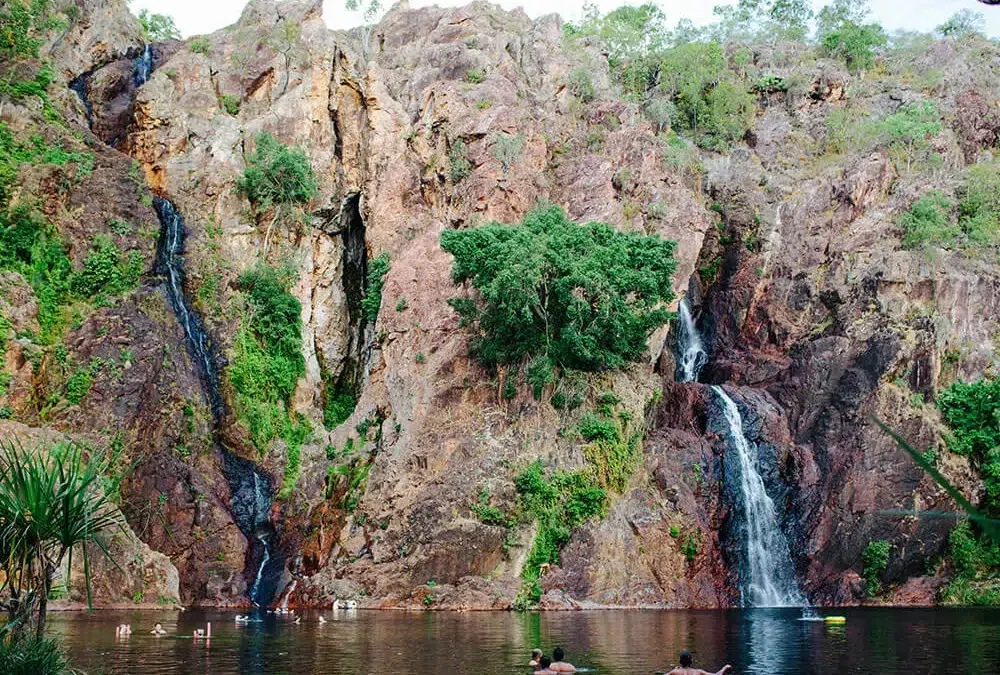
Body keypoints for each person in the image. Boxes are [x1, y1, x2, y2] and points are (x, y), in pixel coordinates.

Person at [666, 651, 732, 675]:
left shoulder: (674, 672)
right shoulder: (698, 672)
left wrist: (675, 670)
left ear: (680, 662)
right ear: (691, 662)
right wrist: (724, 668)